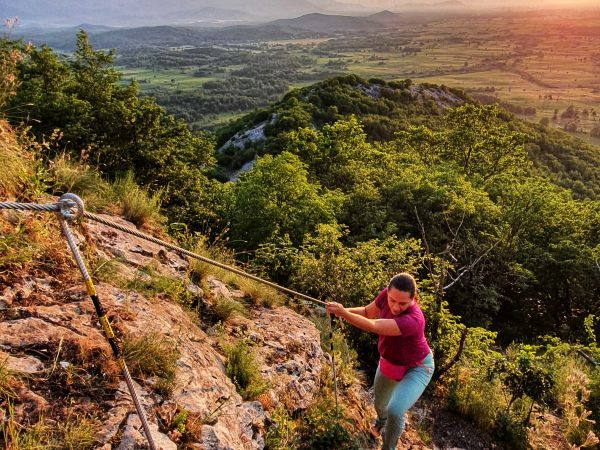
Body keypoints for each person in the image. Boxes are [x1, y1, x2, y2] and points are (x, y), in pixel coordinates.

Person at [326, 272, 434, 450]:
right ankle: (381, 422)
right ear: (388, 292)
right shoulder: (386, 294)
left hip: (418, 367)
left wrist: (343, 313)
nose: (396, 307)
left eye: (403, 303)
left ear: (413, 299)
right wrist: (340, 309)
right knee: (380, 403)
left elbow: (374, 325)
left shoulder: (414, 320)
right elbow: (368, 312)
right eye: (392, 300)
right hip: (391, 361)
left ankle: (388, 447)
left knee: (396, 410)